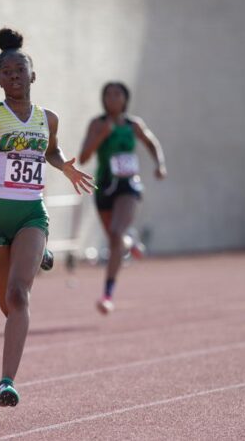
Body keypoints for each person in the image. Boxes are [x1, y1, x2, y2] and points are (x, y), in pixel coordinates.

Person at [0, 28, 93, 407]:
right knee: (7, 307)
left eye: (20, 70)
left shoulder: (48, 118)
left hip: (30, 212)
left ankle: (6, 382)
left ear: (33, 75)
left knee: (19, 296)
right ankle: (38, 255)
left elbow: (52, 152)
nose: (14, 77)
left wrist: (66, 168)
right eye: (7, 72)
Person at [79, 82, 166, 315]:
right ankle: (132, 243)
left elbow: (152, 143)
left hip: (129, 186)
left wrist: (160, 165)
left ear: (125, 99)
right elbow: (84, 157)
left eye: (117, 94)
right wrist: (100, 136)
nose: (112, 98)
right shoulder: (97, 124)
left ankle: (107, 293)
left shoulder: (133, 125)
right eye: (107, 94)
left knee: (116, 234)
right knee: (116, 240)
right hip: (104, 187)